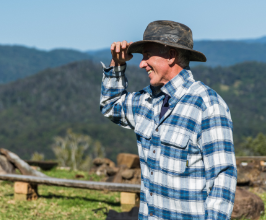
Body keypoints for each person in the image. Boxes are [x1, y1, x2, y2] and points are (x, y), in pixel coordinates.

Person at [100, 20, 237, 219]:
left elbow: (222, 179)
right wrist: (117, 65)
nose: (141, 63)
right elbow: (110, 106)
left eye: (147, 55)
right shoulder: (144, 101)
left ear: (171, 56)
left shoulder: (207, 105)